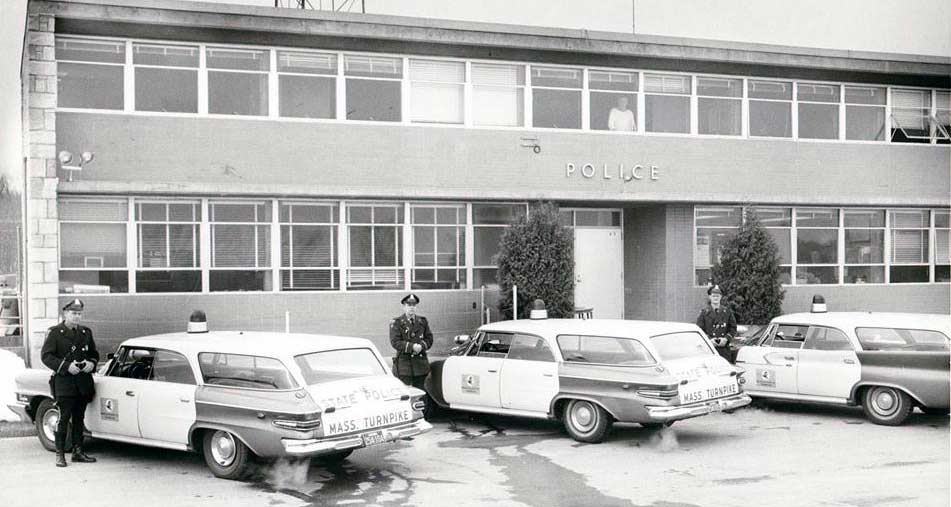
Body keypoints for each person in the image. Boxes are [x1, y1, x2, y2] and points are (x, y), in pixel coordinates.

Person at [41, 298, 99, 467]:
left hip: (82, 383)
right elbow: (46, 356)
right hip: (65, 384)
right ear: (65, 314)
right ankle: (60, 454)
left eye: (79, 314)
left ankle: (78, 452)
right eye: (73, 313)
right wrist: (66, 367)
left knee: (79, 419)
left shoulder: (85, 333)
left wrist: (92, 364)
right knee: (63, 419)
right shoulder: (55, 333)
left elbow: (94, 354)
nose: (77, 317)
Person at [389, 293, 433, 391]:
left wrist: (421, 346)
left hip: (420, 366)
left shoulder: (422, 321)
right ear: (403, 307)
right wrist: (412, 347)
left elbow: (429, 339)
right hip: (404, 367)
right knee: (406, 394)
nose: (411, 308)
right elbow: (395, 342)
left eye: (414, 305)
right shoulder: (397, 323)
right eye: (409, 305)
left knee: (422, 394)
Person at [696, 285, 737, 362]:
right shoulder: (704, 313)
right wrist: (709, 340)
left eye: (717, 296)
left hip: (724, 350)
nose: (715, 298)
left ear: (721, 297)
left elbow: (733, 328)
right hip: (709, 350)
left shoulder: (727, 312)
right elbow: (699, 330)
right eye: (713, 296)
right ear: (710, 297)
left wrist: (726, 339)